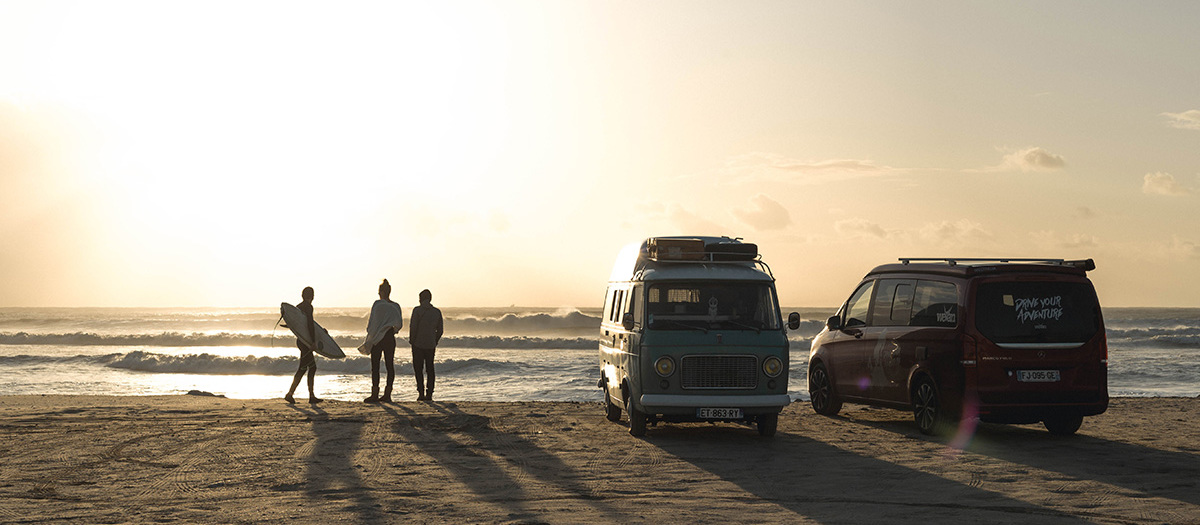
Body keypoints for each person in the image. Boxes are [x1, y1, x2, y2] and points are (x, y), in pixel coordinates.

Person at [360, 279, 403, 403]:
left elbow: (372, 323)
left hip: (378, 339)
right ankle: (387, 394)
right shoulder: (396, 306)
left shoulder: (378, 304)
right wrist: (391, 330)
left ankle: (375, 394)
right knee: (390, 365)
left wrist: (371, 335)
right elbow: (399, 324)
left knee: (375, 366)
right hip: (389, 337)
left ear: (381, 292)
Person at [285, 286, 322, 404]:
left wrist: (321, 333)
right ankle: (309, 396)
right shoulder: (308, 307)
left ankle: (291, 394)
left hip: (301, 341)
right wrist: (312, 342)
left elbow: (295, 324)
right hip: (306, 343)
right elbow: (310, 324)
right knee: (309, 368)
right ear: (312, 296)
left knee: (304, 368)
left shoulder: (298, 307)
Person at [409, 289, 443, 401]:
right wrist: (435, 340)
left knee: (418, 369)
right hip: (430, 344)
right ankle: (430, 394)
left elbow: (413, 327)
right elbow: (440, 330)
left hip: (418, 344)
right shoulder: (437, 312)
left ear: (421, 299)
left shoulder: (417, 310)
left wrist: (412, 340)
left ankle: (421, 393)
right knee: (430, 368)